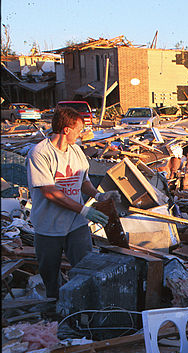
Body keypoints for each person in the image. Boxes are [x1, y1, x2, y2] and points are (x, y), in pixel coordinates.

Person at [27, 107, 120, 299]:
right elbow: (49, 192)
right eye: (79, 130)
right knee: (50, 273)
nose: (82, 134)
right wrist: (84, 210)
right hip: (48, 227)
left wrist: (99, 196)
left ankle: (84, 306)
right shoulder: (39, 153)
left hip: (76, 225)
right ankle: (55, 310)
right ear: (66, 130)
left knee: (85, 267)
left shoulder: (76, 151)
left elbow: (83, 181)